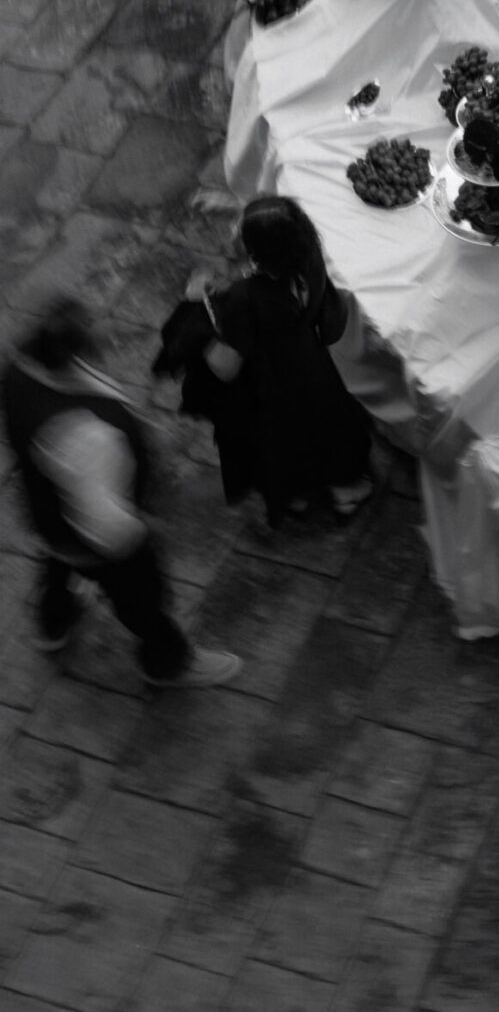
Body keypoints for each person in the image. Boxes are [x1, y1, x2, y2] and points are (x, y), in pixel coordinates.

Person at [1, 295, 240, 687]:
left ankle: (53, 624)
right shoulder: (86, 436)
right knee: (140, 598)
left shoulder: (19, 370)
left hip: (48, 511)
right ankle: (166, 660)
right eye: (91, 328)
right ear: (74, 351)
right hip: (95, 535)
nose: (103, 330)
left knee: (58, 564)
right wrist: (146, 528)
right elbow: (108, 529)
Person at [177, 199, 375, 529]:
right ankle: (344, 490)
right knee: (328, 427)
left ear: (259, 252)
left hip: (273, 382)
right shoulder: (309, 255)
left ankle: (305, 496)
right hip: (311, 365)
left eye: (241, 231)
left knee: (285, 441)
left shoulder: (246, 298)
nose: (235, 233)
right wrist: (230, 209)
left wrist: (197, 307)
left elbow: (226, 368)